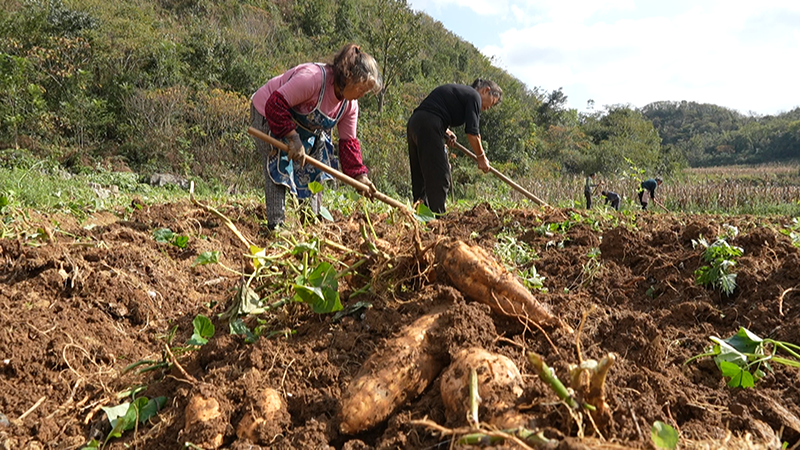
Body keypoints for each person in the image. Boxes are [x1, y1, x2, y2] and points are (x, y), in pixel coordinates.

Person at [249, 44, 382, 230]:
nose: (361, 95)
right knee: (280, 163)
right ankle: (276, 226)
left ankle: (310, 224)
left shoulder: (350, 106)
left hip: (305, 128)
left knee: (315, 166)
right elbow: (276, 104)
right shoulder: (313, 78)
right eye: (361, 89)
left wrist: (360, 176)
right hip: (268, 112)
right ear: (349, 77)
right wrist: (293, 139)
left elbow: (348, 143)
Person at [406, 78, 503, 214]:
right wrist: (481, 157)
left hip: (415, 123)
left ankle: (421, 216)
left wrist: (444, 131)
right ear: (486, 90)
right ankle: (437, 218)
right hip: (428, 124)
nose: (487, 109)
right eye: (490, 103)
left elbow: (433, 108)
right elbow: (473, 133)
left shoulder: (462, 93)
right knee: (440, 176)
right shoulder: (474, 96)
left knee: (421, 177)